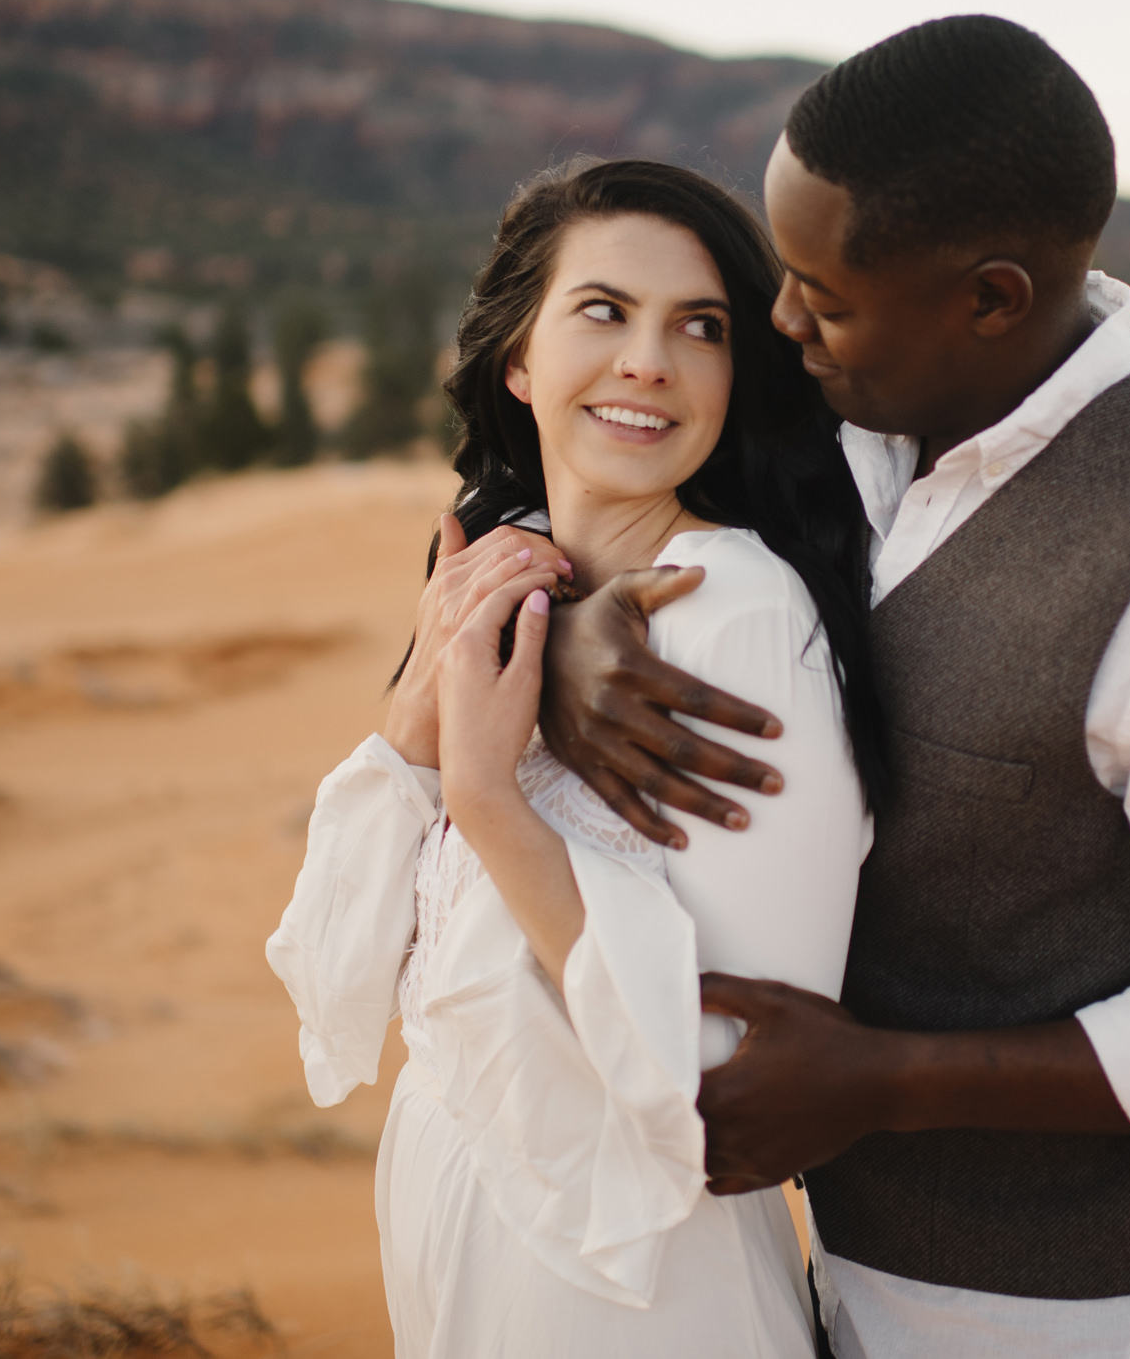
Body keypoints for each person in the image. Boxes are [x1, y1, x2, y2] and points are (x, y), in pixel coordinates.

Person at [540, 16, 1130, 1358]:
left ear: (990, 298)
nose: (780, 322)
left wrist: (883, 1082)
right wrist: (569, 621)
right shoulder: (853, 401)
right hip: (830, 1292)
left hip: (1100, 1328)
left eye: (821, 294)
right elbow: (573, 474)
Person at [266, 159, 886, 1357]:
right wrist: (412, 737)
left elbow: (733, 1079)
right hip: (465, 1237)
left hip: (639, 1287)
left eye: (698, 328)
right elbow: (335, 982)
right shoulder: (498, 576)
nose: (648, 360)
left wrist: (492, 801)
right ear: (518, 358)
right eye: (603, 311)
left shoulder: (741, 616)